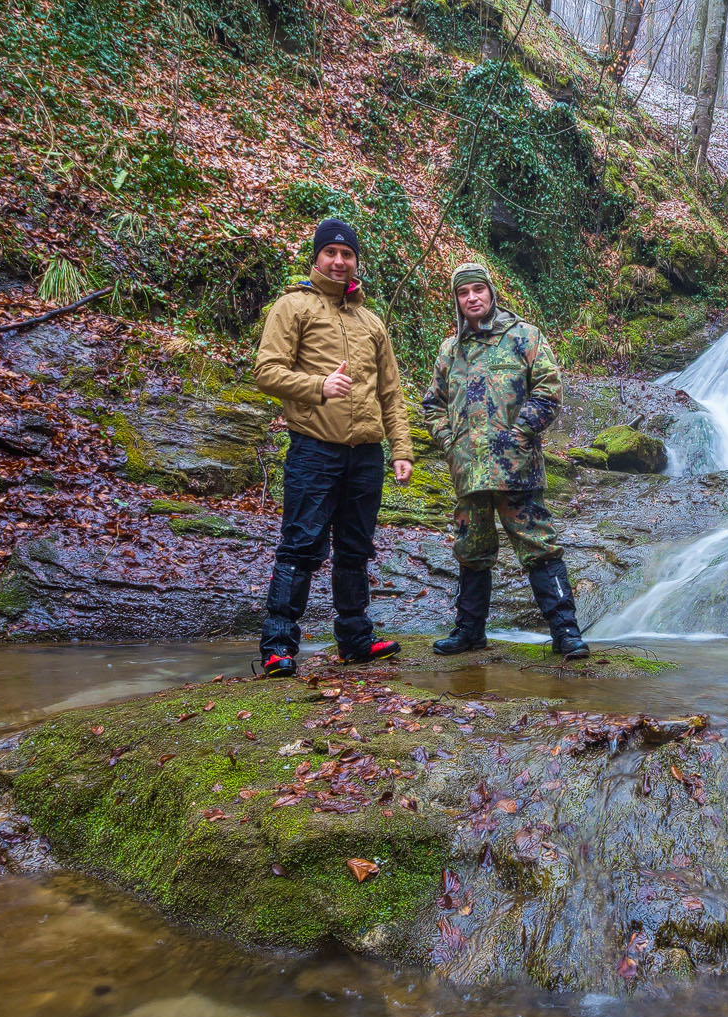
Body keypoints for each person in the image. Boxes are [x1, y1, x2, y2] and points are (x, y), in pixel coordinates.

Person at [249, 217, 412, 677]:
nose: (339, 261)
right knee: (301, 545)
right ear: (317, 257)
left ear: (356, 261)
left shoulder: (371, 321)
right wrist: (319, 386)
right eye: (331, 253)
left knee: (356, 548)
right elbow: (266, 371)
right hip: (314, 449)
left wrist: (401, 449)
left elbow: (391, 393)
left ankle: (356, 640)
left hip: (366, 454)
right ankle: (278, 646)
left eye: (347, 254)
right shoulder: (293, 306)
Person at [421, 262, 588, 660]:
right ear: (456, 300)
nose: (472, 298)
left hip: (517, 469)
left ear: (491, 293)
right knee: (471, 550)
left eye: (478, 289)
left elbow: (548, 390)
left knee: (539, 548)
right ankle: (469, 631)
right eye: (463, 293)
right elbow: (433, 404)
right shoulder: (450, 350)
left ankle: (566, 632)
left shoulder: (524, 336)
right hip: (470, 473)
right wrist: (450, 442)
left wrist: (521, 433)